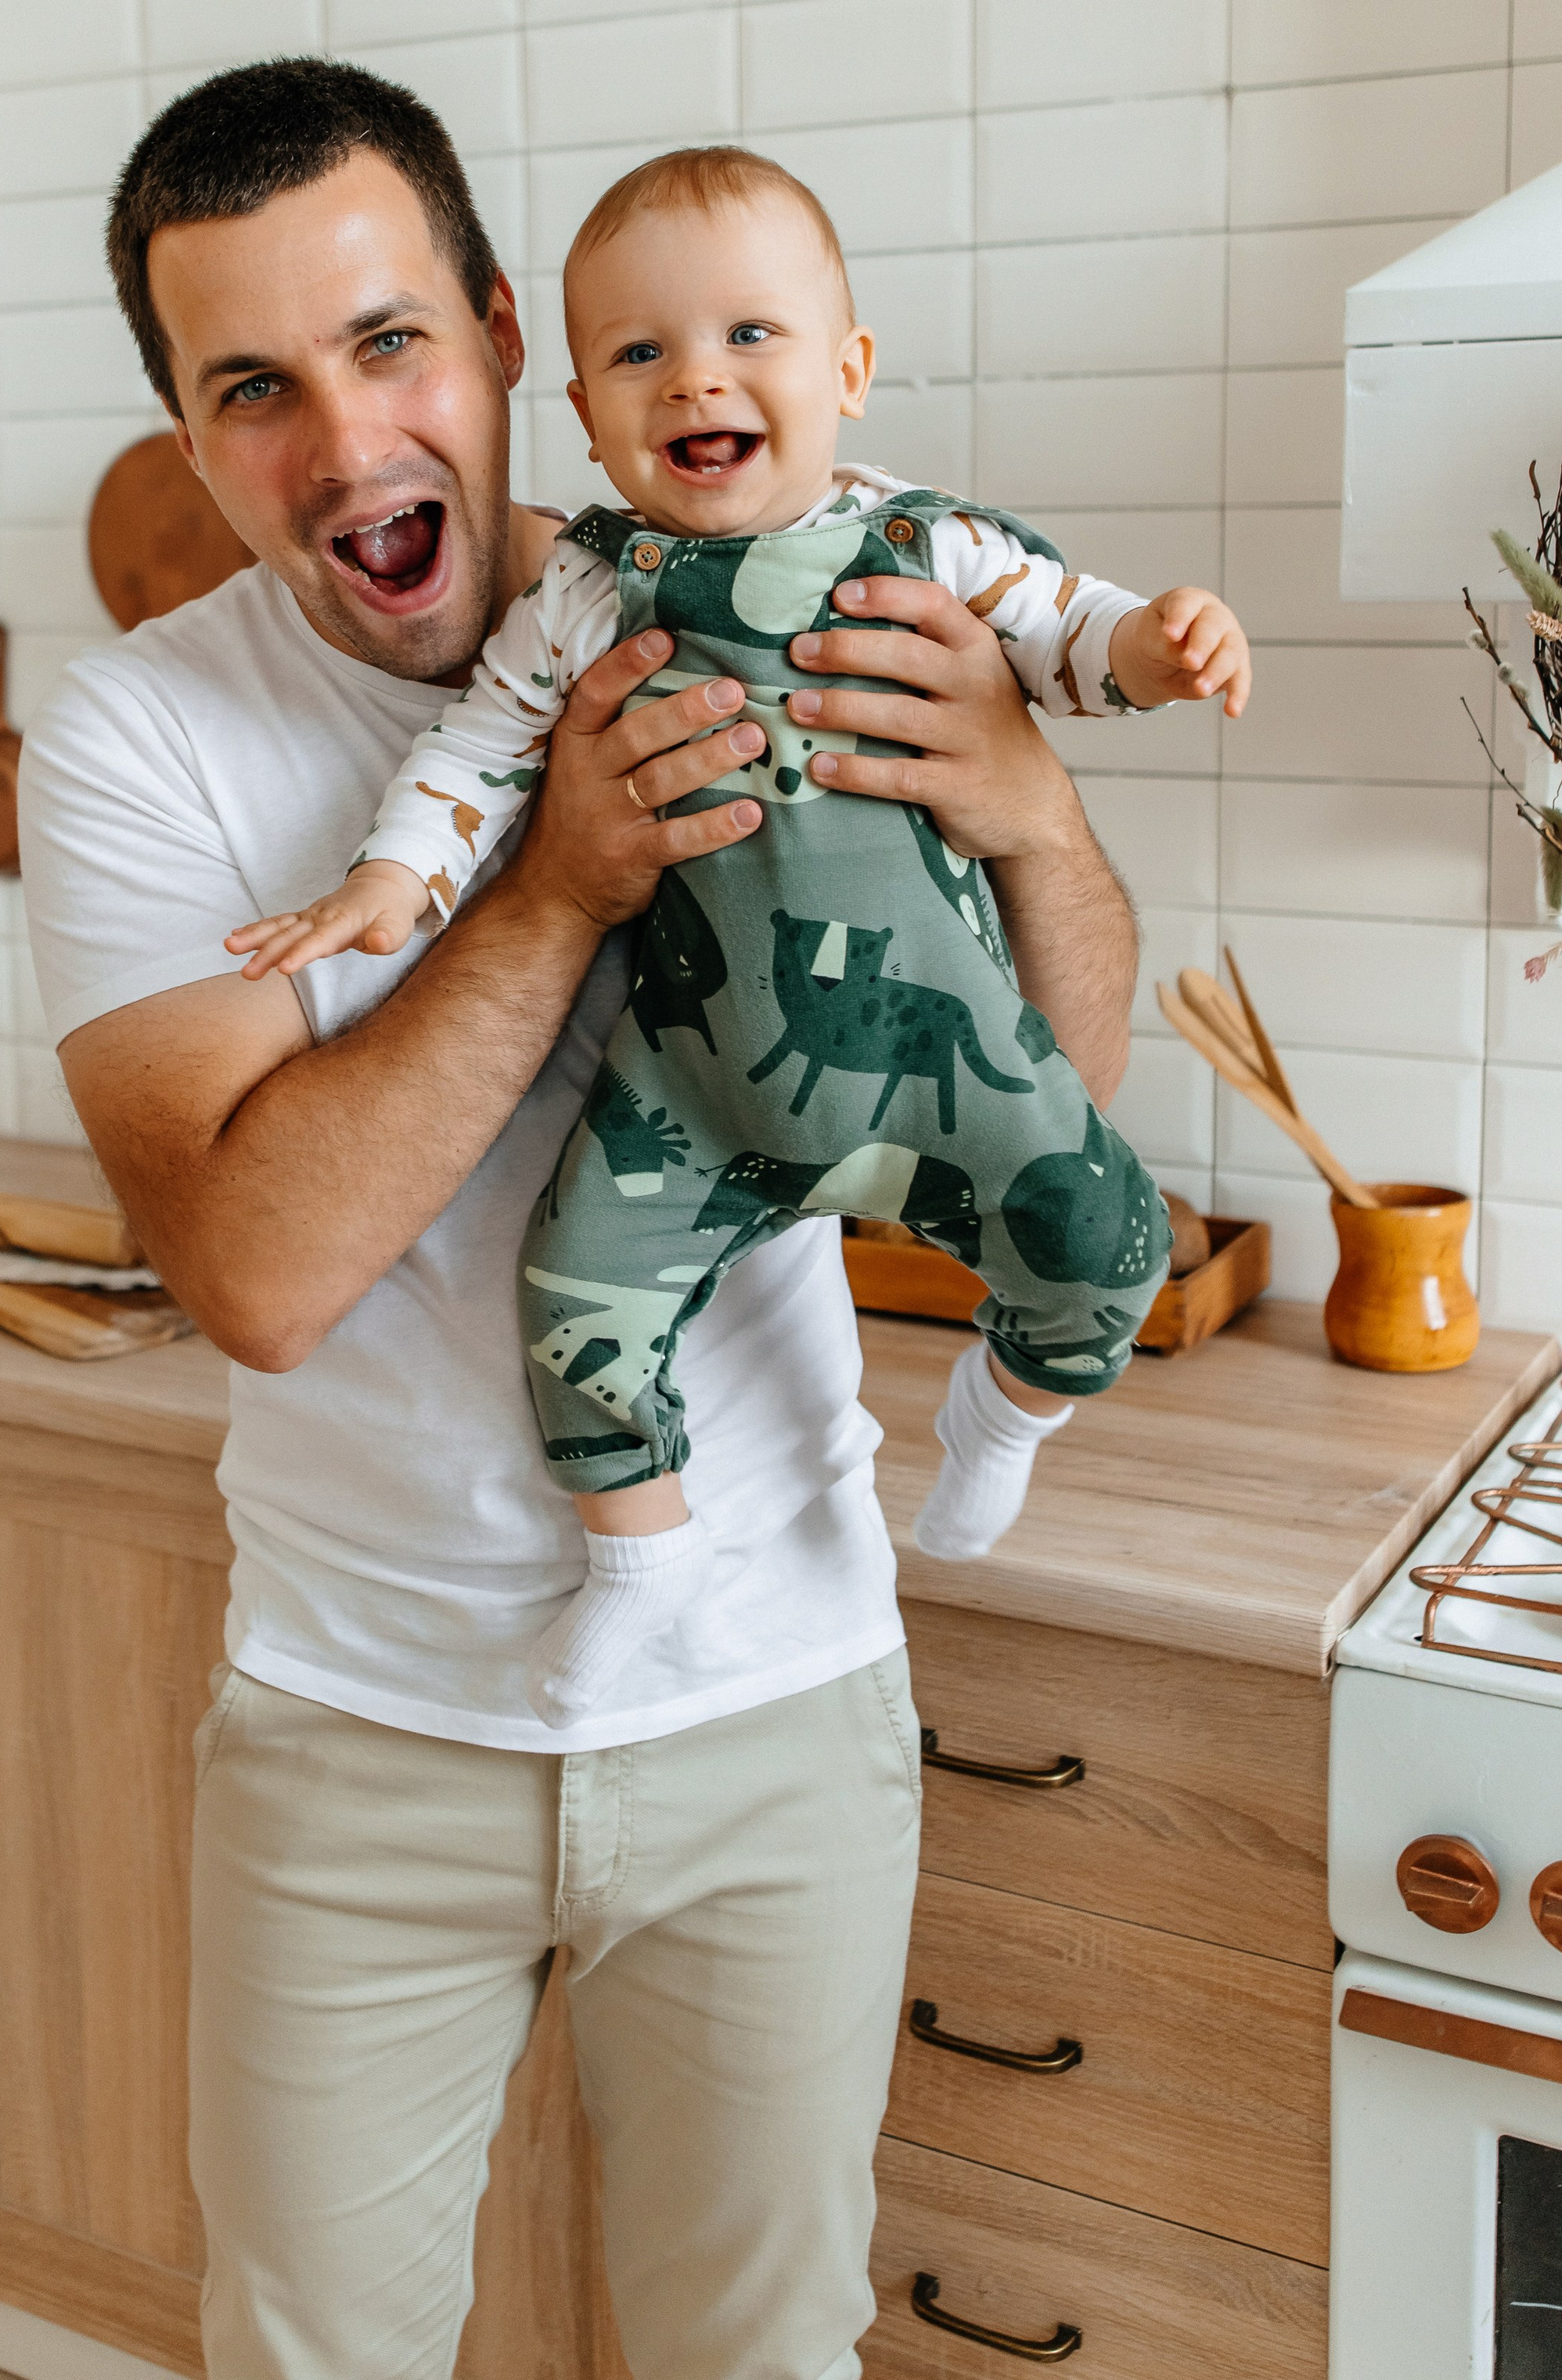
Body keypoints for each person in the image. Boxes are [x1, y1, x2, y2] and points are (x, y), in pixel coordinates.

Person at [17, 59, 1149, 2380]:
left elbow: (1057, 1086)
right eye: (252, 388)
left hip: (779, 1684)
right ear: (184, 431)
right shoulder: (137, 738)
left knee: (766, 2355)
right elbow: (255, 1273)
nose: (344, 446)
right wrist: (557, 883)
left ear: (510, 329)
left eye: (388, 343)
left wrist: (1032, 808)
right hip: (364, 1725)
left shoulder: (815, 580)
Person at [226, 144, 1250, 1723]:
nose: (695, 375)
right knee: (569, 1313)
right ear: (581, 412)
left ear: (845, 368)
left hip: (940, 1066)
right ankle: (643, 1559)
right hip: (692, 1095)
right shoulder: (591, 585)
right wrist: (393, 882)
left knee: (1112, 1249)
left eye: (748, 336)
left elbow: (1072, 630)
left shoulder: (927, 550)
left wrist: (1163, 645)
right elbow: (481, 744)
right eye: (639, 352)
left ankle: (1008, 1410)